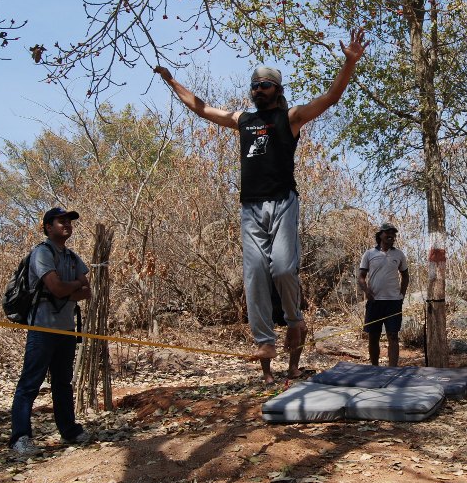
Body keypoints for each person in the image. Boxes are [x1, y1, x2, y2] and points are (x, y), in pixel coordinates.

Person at [156, 29, 368, 383]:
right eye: (254, 85)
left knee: (283, 268)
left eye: (265, 85)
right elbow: (202, 109)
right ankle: (265, 342)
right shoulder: (244, 120)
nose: (258, 90)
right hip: (250, 207)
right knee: (255, 273)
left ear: (277, 90)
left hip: (283, 201)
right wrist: (172, 81)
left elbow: (331, 98)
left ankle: (294, 318)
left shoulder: (291, 118)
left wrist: (349, 62)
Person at [10, 207, 91, 456]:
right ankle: (20, 437)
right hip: (43, 328)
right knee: (30, 384)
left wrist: (73, 286)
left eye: (69, 221)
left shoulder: (72, 257)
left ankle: (69, 430)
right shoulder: (41, 253)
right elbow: (55, 288)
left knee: (63, 383)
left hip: (66, 330)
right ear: (47, 226)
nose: (66, 224)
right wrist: (74, 286)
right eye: (61, 221)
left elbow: (86, 291)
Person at [358, 223, 410, 367]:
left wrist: (402, 295)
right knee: (373, 337)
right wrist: (366, 291)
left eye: (393, 233)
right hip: (375, 302)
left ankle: (392, 369)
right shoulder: (369, 254)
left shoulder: (399, 254)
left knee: (393, 336)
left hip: (393, 302)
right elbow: (361, 276)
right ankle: (375, 368)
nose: (391, 236)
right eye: (388, 233)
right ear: (380, 235)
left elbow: (405, 276)